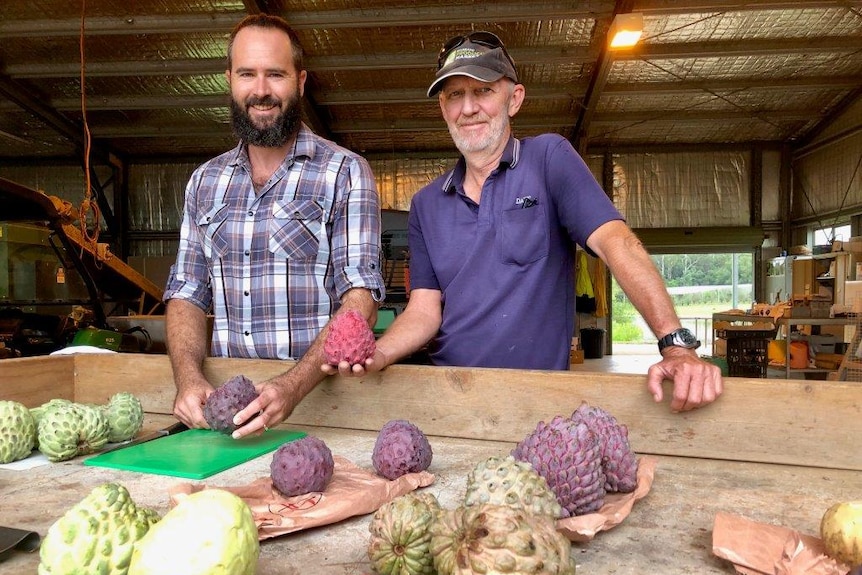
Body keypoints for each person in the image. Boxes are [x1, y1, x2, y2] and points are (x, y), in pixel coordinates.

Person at [323, 31, 722, 412]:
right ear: (443, 108)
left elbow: (617, 243)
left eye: (483, 90)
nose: (469, 108)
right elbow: (424, 310)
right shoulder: (427, 203)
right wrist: (379, 354)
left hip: (539, 396)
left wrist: (675, 345)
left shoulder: (549, 159)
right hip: (450, 391)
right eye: (455, 95)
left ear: (514, 99)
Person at [164, 14, 385, 438]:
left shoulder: (344, 172)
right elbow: (187, 293)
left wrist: (291, 386)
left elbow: (360, 299)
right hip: (224, 413)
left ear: (300, 81)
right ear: (229, 79)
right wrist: (188, 379)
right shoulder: (204, 182)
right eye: (247, 73)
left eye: (276, 74)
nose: (261, 90)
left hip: (319, 408)